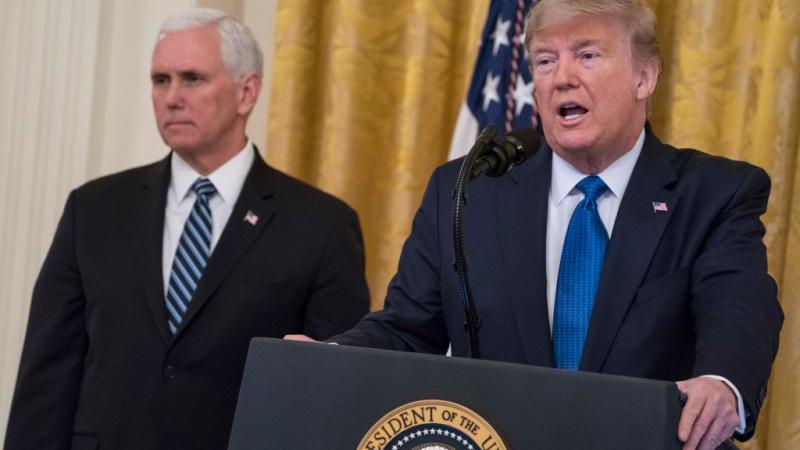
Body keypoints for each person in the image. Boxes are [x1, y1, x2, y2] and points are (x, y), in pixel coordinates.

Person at [287, 1, 783, 449]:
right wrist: (330, 356)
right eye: (546, 60)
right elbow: (408, 328)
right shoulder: (467, 189)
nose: (561, 77)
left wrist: (722, 382)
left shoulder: (714, 193)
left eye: (588, 55)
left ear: (645, 77)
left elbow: (738, 310)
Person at [5, 8, 369, 450]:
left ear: (246, 92)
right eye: (161, 80)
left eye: (192, 78)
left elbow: (334, 396)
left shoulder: (320, 225)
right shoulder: (95, 209)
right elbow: (47, 377)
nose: (171, 97)